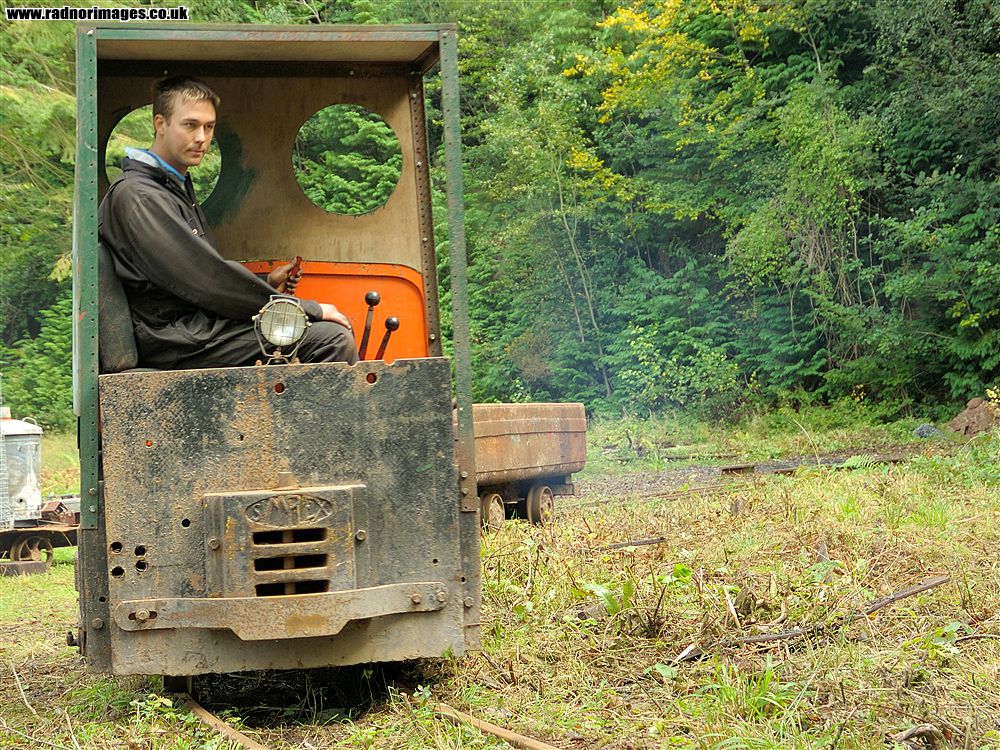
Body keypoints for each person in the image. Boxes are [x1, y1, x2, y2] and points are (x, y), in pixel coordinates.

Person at [98, 76, 358, 369]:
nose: (201, 137)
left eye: (209, 127)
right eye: (190, 125)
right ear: (160, 124)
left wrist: (265, 285)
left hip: (192, 328)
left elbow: (199, 275)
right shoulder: (140, 196)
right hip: (175, 337)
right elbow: (204, 279)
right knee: (330, 339)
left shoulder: (171, 185)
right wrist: (304, 309)